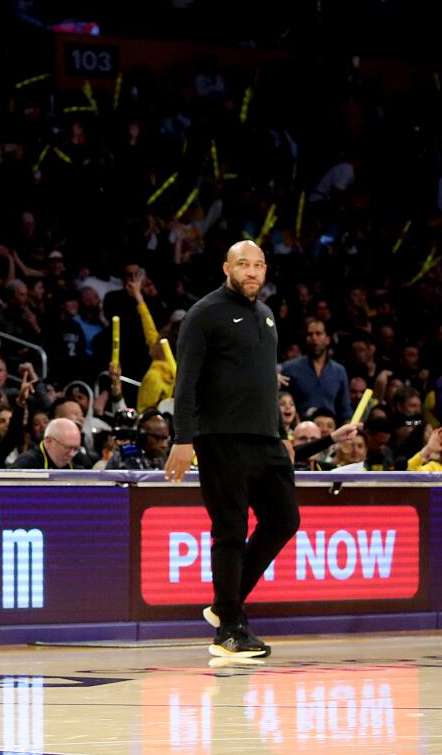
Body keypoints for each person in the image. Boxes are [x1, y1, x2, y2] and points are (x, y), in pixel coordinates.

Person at [165, 240, 298, 659]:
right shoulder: (205, 313)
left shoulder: (267, 315)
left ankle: (225, 606)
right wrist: (182, 440)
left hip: (266, 438)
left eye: (258, 264)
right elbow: (184, 383)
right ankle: (229, 631)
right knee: (230, 530)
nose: (252, 271)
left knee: (284, 519)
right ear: (227, 267)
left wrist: (282, 434)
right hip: (220, 437)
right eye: (243, 264)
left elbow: (262, 382)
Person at [281, 319, 352, 420]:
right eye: (310, 334)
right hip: (300, 430)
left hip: (329, 430)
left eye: (318, 334)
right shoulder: (290, 368)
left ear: (327, 339)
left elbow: (345, 410)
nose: (314, 338)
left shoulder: (339, 371)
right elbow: (280, 401)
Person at [13, 418, 84, 469]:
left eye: (75, 449)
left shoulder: (77, 462)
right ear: (48, 441)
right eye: (67, 447)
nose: (72, 454)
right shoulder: (26, 465)